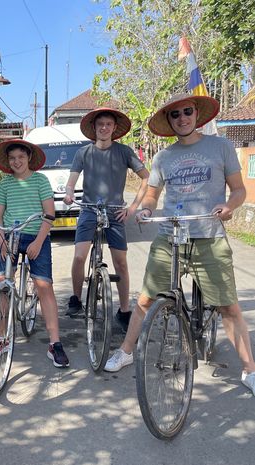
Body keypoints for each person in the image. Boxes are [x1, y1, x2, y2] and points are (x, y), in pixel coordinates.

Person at [104, 93, 255, 396]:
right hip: (170, 235)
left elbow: (238, 190)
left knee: (228, 306)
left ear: (196, 113)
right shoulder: (163, 157)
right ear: (169, 121)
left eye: (187, 112)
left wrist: (229, 206)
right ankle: (126, 350)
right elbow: (151, 194)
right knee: (146, 299)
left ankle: (249, 370)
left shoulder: (221, 147)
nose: (182, 118)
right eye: (175, 115)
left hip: (209, 236)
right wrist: (146, 209)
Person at [63, 107, 149, 333]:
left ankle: (123, 310)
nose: (104, 127)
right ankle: (75, 298)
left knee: (120, 262)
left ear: (114, 128)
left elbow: (146, 178)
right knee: (80, 255)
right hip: (89, 209)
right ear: (94, 128)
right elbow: (72, 180)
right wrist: (69, 192)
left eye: (108, 124)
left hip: (115, 211)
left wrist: (132, 208)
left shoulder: (124, 152)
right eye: (100, 124)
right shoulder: (83, 152)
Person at [0, 139, 70, 368]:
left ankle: (55, 343)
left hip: (37, 236)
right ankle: (1, 337)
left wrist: (38, 240)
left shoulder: (40, 180)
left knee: (44, 285)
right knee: (1, 284)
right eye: (12, 158)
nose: (16, 162)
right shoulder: (5, 184)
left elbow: (49, 214)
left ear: (28, 159)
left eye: (21, 158)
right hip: (11, 237)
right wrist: (1, 241)